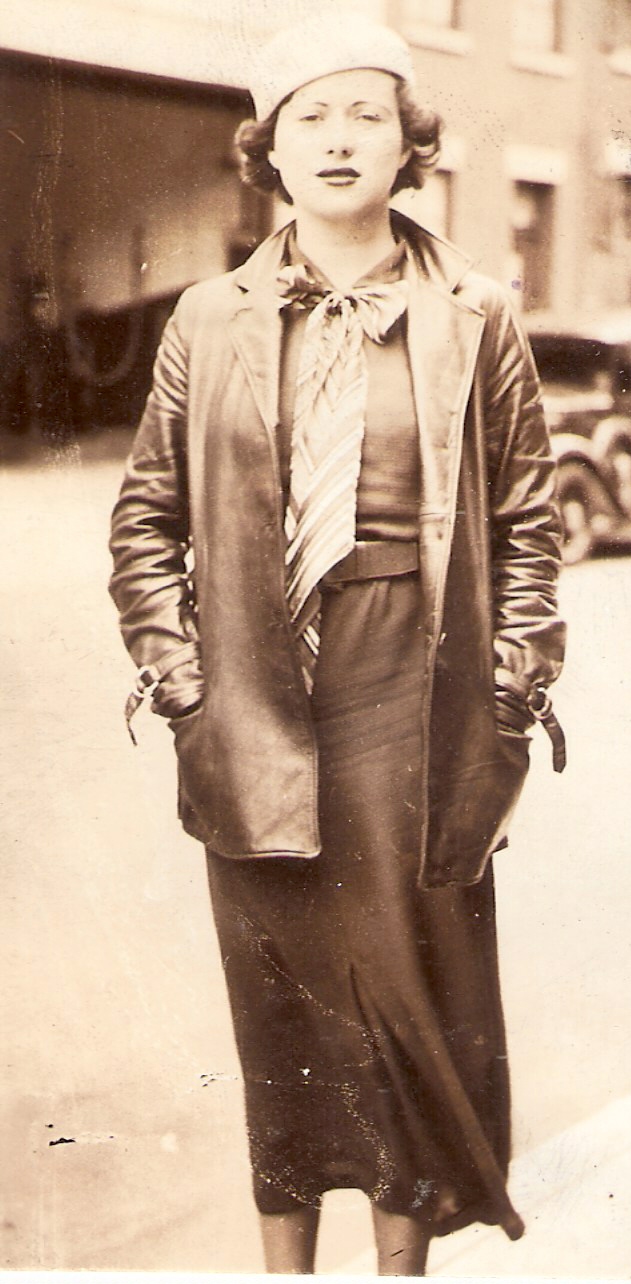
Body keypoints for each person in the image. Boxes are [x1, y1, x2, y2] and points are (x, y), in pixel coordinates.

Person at [109, 14, 566, 1275]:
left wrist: (509, 694)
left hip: (416, 700)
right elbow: (145, 521)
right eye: (308, 116)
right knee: (286, 1019)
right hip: (253, 700)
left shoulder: (476, 314)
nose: (338, 138)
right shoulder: (208, 317)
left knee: (406, 1016)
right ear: (268, 149)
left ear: (410, 142)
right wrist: (185, 685)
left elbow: (529, 530)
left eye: (367, 113)